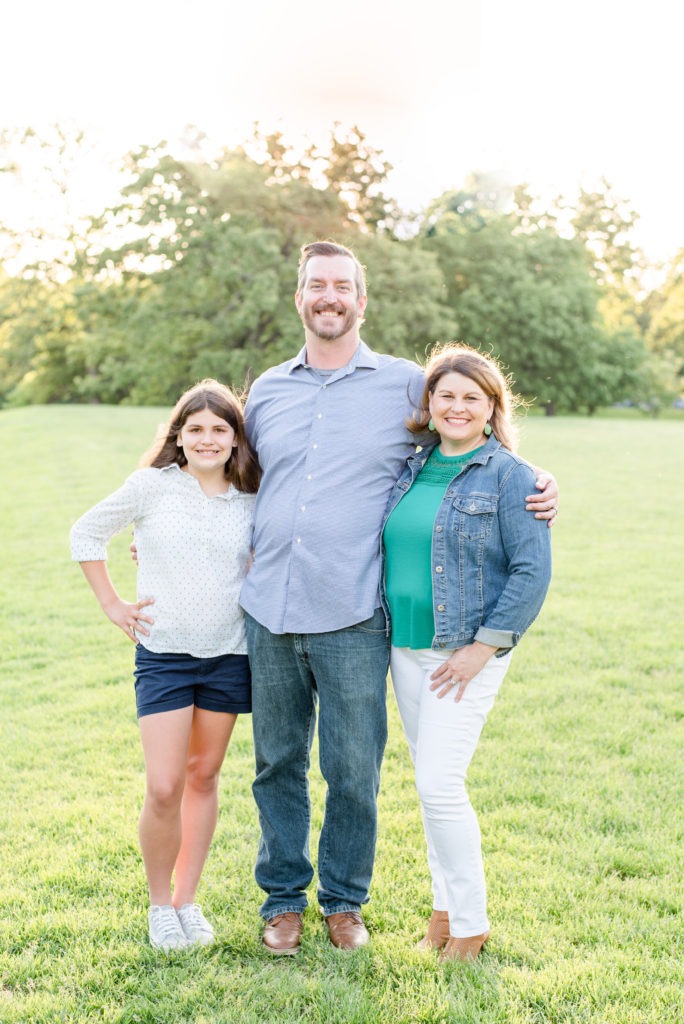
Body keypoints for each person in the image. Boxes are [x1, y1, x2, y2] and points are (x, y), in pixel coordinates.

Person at [239, 240, 559, 955]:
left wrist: (541, 482)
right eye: (316, 285)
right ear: (299, 296)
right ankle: (283, 900)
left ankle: (344, 903)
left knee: (354, 769)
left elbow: (472, 432)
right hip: (268, 607)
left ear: (361, 299)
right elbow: (235, 480)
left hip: (355, 612)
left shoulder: (406, 384)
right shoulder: (266, 389)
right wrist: (171, 535)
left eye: (342, 286)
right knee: (276, 763)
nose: (329, 296)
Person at [70, 379, 260, 951]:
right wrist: (112, 603)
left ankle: (186, 902)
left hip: (230, 655)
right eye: (195, 429)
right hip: (165, 655)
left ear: (235, 439)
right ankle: (159, 905)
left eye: (219, 430)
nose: (207, 439)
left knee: (204, 776)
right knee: (163, 784)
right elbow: (86, 532)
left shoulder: (253, 495)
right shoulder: (151, 487)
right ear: (178, 436)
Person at [381, 343, 552, 962]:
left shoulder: (512, 476)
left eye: (470, 398)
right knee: (431, 788)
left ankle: (473, 925)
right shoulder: (411, 466)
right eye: (445, 395)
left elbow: (531, 572)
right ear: (429, 404)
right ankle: (444, 908)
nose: (456, 407)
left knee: (439, 783)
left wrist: (484, 648)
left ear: (491, 408)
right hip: (405, 649)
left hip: (464, 656)